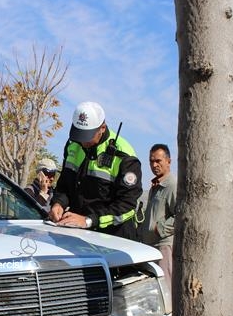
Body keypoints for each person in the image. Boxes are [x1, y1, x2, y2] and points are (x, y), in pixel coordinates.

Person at [49, 101, 142, 240]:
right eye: (79, 134)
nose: (82, 142)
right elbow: (64, 185)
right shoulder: (73, 145)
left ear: (102, 128)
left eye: (87, 136)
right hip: (77, 234)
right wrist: (58, 203)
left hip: (113, 237)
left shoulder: (124, 156)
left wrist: (89, 220)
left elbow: (127, 205)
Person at [140, 143, 176, 282]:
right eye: (151, 161)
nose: (154, 165)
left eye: (158, 161)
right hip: (151, 247)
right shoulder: (155, 186)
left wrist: (159, 228)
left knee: (166, 286)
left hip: (163, 247)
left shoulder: (172, 185)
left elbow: (181, 216)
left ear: (168, 161)